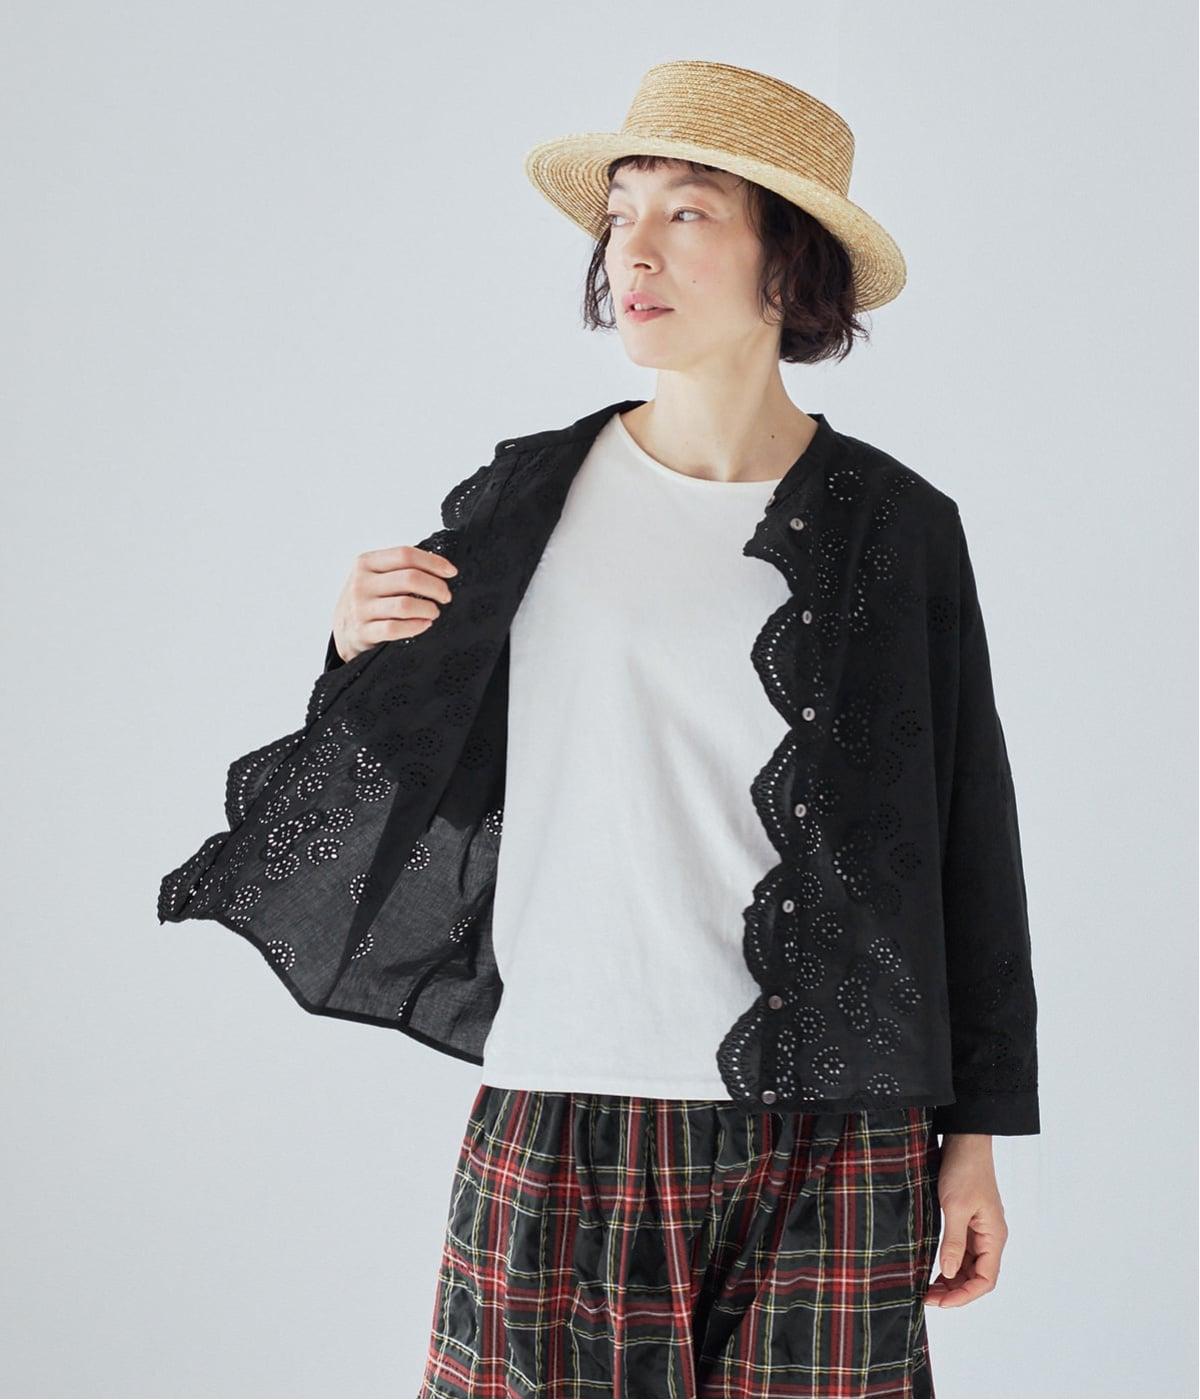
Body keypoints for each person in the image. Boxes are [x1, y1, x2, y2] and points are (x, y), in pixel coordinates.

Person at [160, 61, 1039, 1400]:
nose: (634, 251)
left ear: (789, 262)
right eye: (620, 215)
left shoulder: (900, 527)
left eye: (687, 213)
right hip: (576, 1094)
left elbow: (966, 833)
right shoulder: (533, 494)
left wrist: (975, 1134)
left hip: (842, 1126)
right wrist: (352, 649)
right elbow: (422, 782)